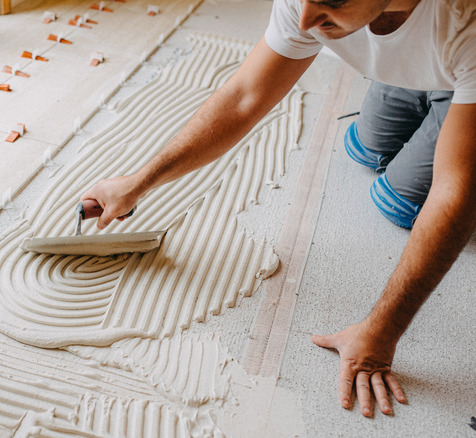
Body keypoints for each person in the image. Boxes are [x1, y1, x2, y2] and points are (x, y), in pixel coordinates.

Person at [81, 0, 476, 418]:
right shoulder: (308, 6)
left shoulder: (465, 23)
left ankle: (450, 93)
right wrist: (139, 182)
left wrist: (382, 333)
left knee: (396, 202)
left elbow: (454, 194)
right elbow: (243, 98)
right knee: (363, 149)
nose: (306, 21)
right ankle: (434, 86)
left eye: (331, 2)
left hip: (460, 56)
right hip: (438, 54)